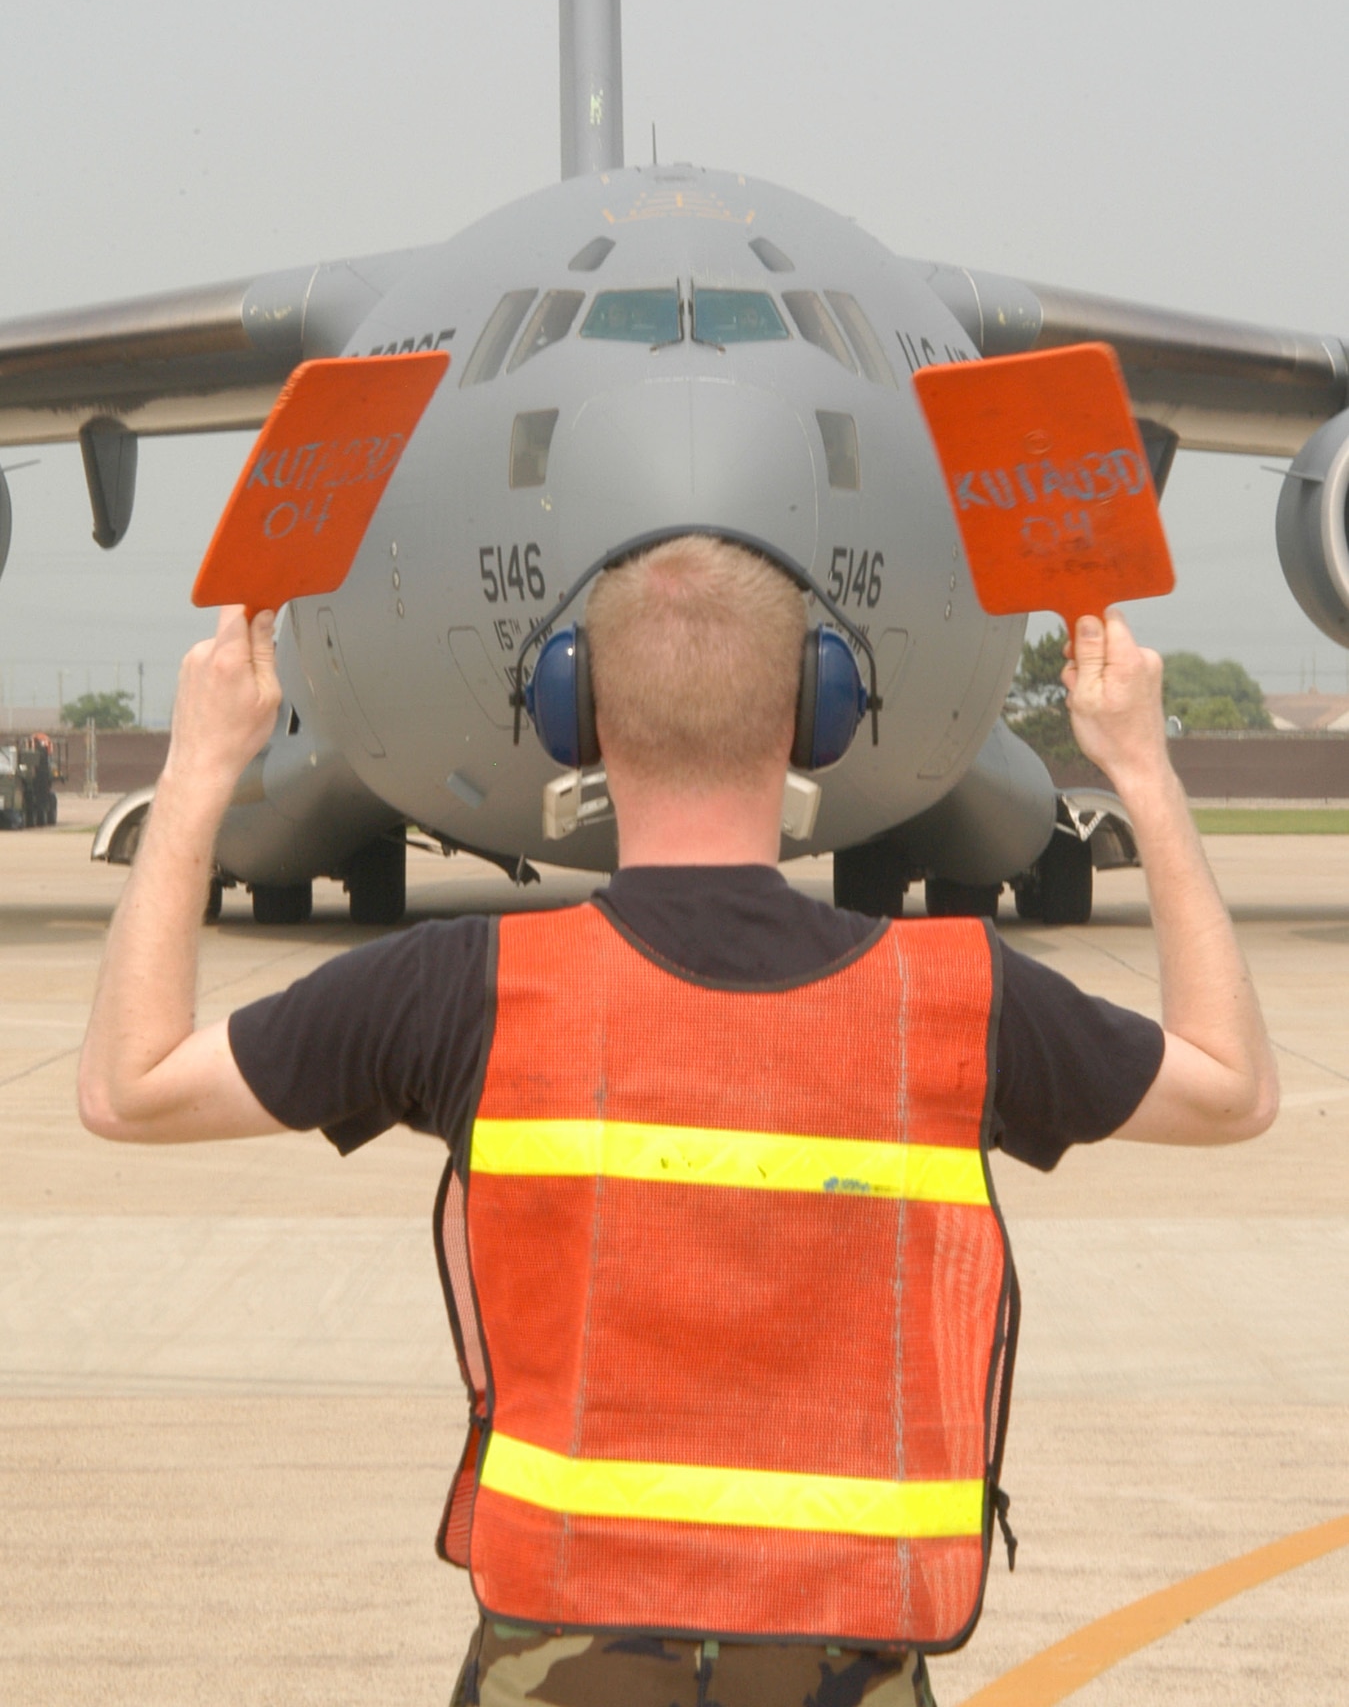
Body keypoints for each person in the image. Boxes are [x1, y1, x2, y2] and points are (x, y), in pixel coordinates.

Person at [79, 536, 1277, 1707]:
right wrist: (1142, 771)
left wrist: (197, 771)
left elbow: (127, 1086)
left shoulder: (463, 987)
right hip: (848, 1662)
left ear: (574, 712)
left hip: (556, 1661)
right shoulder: (955, 993)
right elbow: (1231, 1085)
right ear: (819, 711)